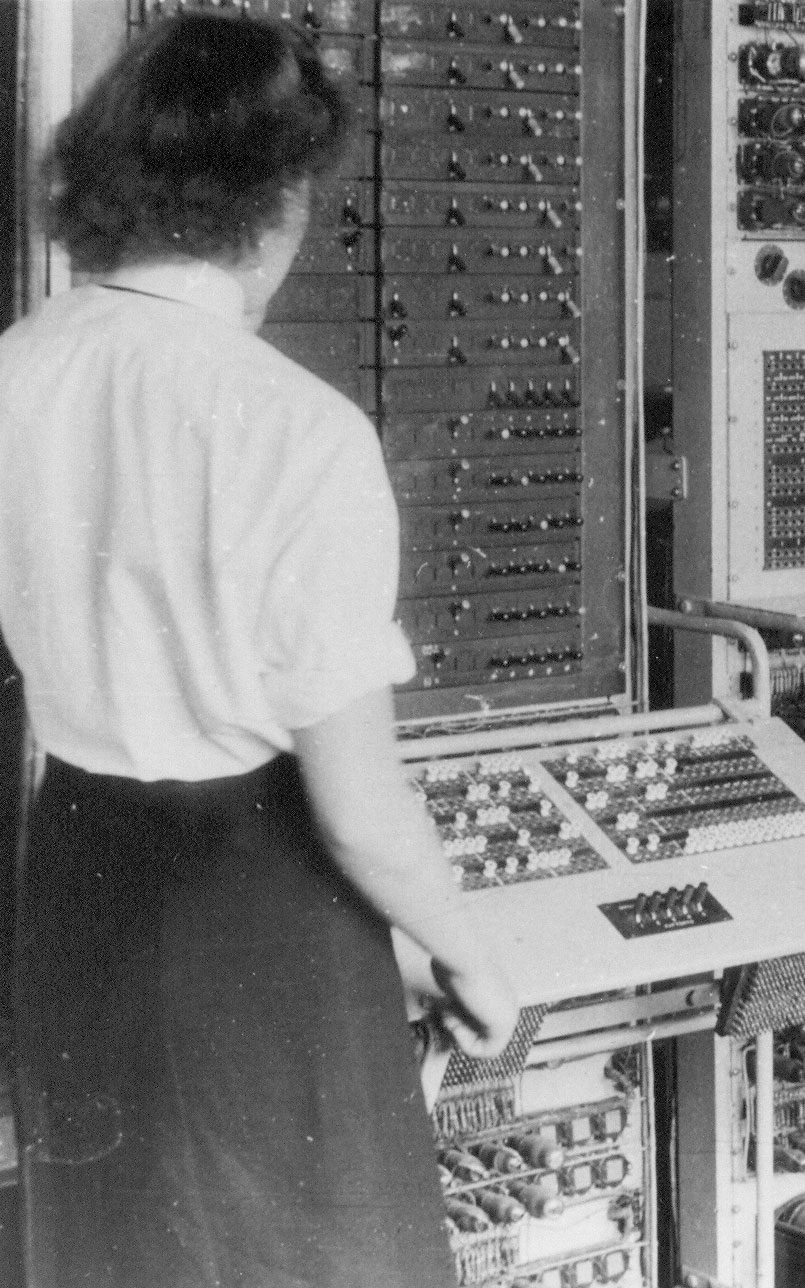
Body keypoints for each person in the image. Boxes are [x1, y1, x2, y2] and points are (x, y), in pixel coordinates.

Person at [0, 14, 518, 1286]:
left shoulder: (15, 369)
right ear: (281, 198)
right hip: (256, 917)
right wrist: (467, 953)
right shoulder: (298, 429)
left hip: (77, 883)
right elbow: (358, 811)